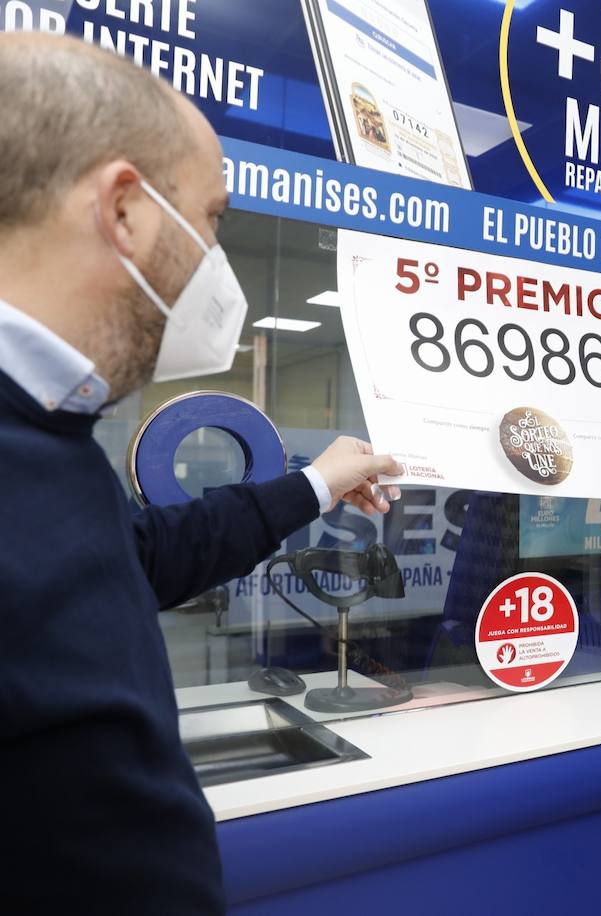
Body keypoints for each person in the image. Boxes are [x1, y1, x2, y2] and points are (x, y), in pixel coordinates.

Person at [0, 35, 404, 915]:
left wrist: (315, 485)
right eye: (214, 218)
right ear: (125, 210)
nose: (217, 263)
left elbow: (134, 556)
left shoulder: (52, 430)